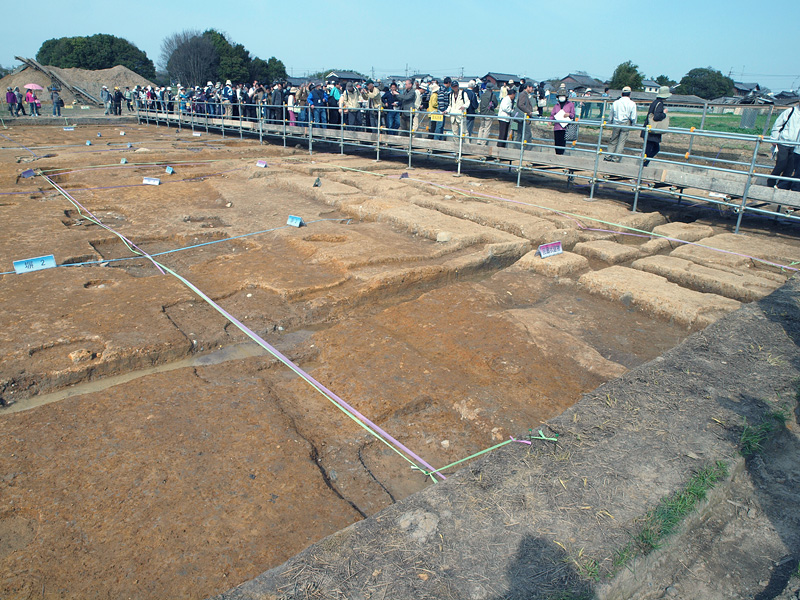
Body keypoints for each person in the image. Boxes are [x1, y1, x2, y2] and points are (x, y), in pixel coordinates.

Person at [768, 100, 800, 189]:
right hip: (783, 142)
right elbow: (777, 125)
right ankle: (771, 182)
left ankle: (780, 186)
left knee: (790, 168)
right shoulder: (791, 111)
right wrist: (774, 139)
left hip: (795, 146)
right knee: (781, 164)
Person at [604, 86, 637, 162]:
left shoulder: (616, 103)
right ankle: (615, 158)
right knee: (621, 142)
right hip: (625, 123)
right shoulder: (632, 103)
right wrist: (633, 124)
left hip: (616, 123)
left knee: (613, 140)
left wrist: (610, 122)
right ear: (629, 94)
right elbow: (633, 116)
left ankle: (608, 156)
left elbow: (611, 115)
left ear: (622, 93)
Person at [642, 86, 670, 166]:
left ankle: (644, 163)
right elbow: (657, 116)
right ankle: (643, 165)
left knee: (652, 149)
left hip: (649, 130)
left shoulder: (655, 102)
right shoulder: (660, 104)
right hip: (652, 132)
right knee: (653, 149)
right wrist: (664, 113)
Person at [549, 89, 576, 155]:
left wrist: (568, 114)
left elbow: (573, 115)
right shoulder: (556, 106)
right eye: (560, 96)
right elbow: (552, 115)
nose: (561, 97)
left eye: (563, 96)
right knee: (557, 142)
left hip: (565, 127)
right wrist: (550, 121)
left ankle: (561, 155)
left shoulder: (570, 105)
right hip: (557, 127)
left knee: (562, 143)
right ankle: (557, 155)